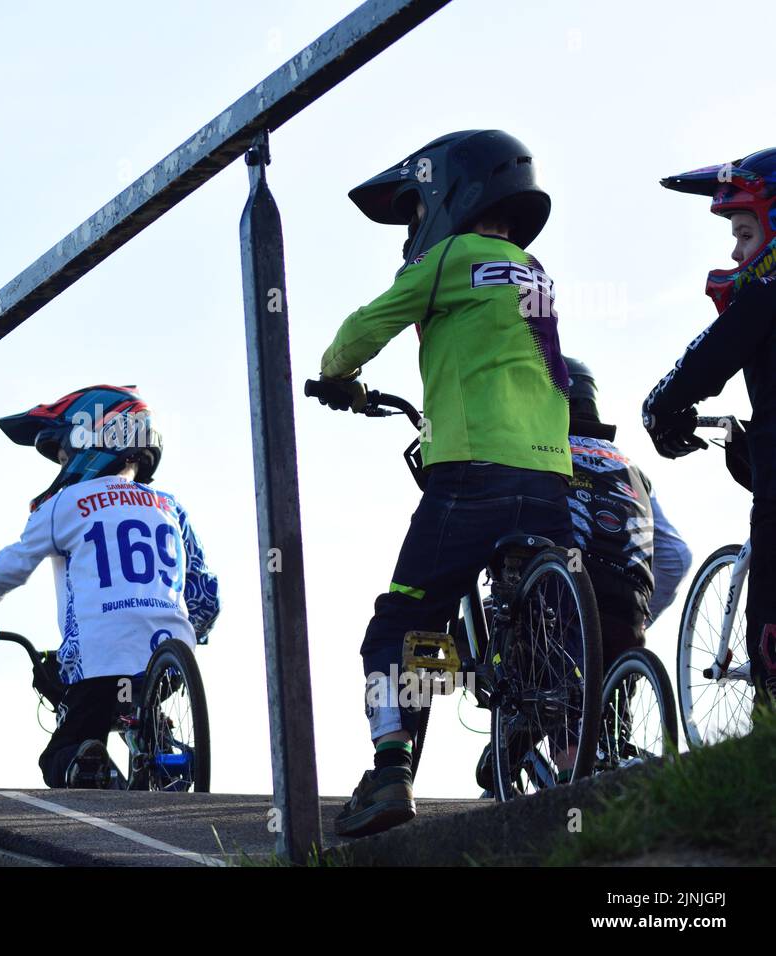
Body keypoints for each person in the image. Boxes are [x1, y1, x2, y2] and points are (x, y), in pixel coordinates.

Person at [316, 130, 575, 837]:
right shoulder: (534, 272)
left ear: (444, 196)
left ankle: (392, 770)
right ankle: (562, 745)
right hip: (551, 473)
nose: (411, 228)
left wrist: (337, 376)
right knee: (539, 617)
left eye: (411, 211)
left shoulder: (449, 258)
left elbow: (366, 326)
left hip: (472, 475)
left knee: (402, 623)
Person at [0, 385, 220, 788]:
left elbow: (10, 567)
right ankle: (158, 740)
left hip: (100, 663)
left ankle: (83, 757)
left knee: (58, 754)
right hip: (170, 660)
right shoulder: (170, 507)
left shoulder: (65, 504)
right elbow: (206, 596)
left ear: (92, 439)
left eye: (63, 455)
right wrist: (195, 632)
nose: (62, 465)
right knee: (140, 704)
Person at [643, 148, 776, 707]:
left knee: (770, 612)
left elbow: (706, 361)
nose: (735, 250)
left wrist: (660, 409)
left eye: (745, 234)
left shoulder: (766, 293)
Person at [565, 356, 692, 658]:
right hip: (627, 612)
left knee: (472, 638)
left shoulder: (536, 455)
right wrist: (643, 617)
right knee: (611, 701)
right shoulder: (633, 469)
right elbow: (677, 557)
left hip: (558, 599)